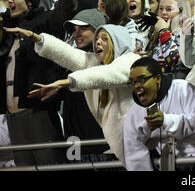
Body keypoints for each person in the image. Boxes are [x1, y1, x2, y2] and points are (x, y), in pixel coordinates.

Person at [26, 24, 141, 167]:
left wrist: (64, 82)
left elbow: (107, 74)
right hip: (117, 145)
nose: (98, 42)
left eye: (105, 39)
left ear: (117, 42)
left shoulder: (132, 60)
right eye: (97, 38)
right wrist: (38, 38)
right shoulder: (96, 63)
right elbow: (68, 54)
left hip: (137, 141)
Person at [0, 0, 77, 166]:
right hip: (12, 118)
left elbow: (64, 10)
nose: (10, 1)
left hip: (38, 112)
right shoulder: (7, 30)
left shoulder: (44, 22)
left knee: (49, 165)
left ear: (30, 1)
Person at [123, 57, 195, 171]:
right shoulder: (134, 112)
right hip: (169, 165)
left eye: (142, 79)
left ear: (158, 79)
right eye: (133, 82)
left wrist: (166, 120)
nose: (136, 86)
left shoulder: (183, 89)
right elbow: (134, 153)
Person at [58, 8, 112, 162]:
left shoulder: (109, 65)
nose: (76, 34)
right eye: (74, 30)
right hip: (75, 145)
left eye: (83, 28)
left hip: (103, 147)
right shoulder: (69, 65)